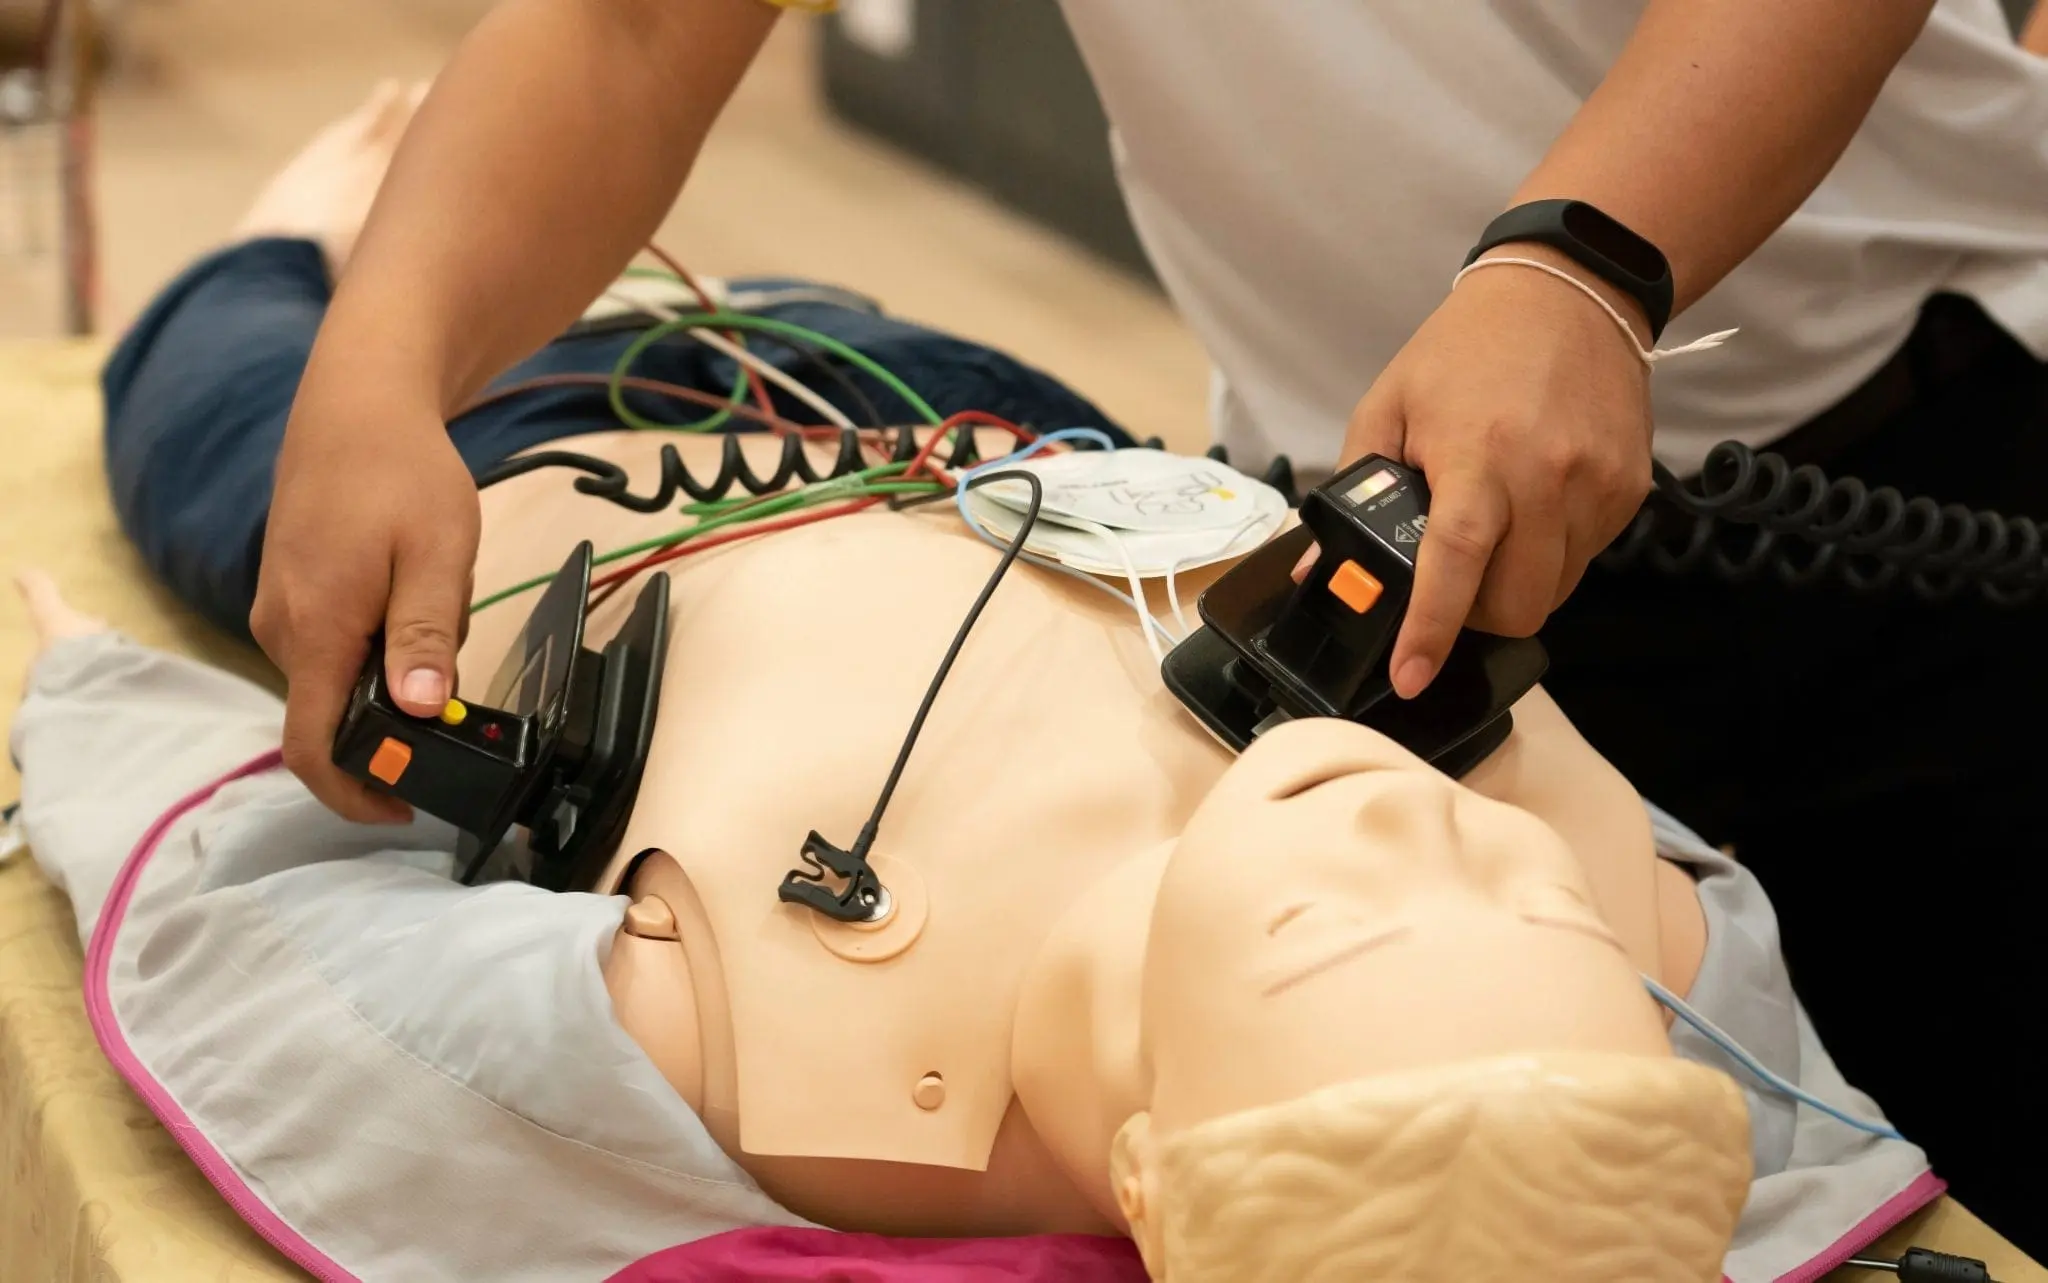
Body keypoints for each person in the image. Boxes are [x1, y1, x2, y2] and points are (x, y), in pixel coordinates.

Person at [18, 92, 1946, 1280]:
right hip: (1033, 442)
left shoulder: (797, 1080)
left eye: (1334, 916)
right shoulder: (1651, 976)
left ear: (1147, 1179)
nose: (1409, 821)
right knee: (819, 306)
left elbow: (272, 955)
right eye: (1514, 881)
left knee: (220, 395)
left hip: (557, 487)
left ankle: (291, 228)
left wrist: (120, 678)